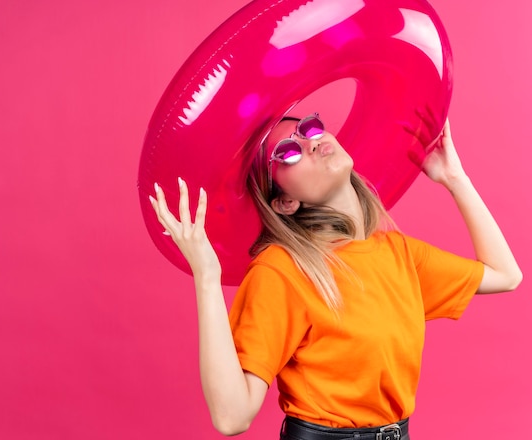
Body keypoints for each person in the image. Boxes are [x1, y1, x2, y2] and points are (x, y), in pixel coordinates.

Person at [148, 113, 522, 439]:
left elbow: (505, 275)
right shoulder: (282, 269)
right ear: (285, 202)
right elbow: (232, 417)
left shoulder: (399, 254)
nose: (310, 143)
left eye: (310, 129)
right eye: (288, 152)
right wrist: (207, 277)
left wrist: (454, 179)